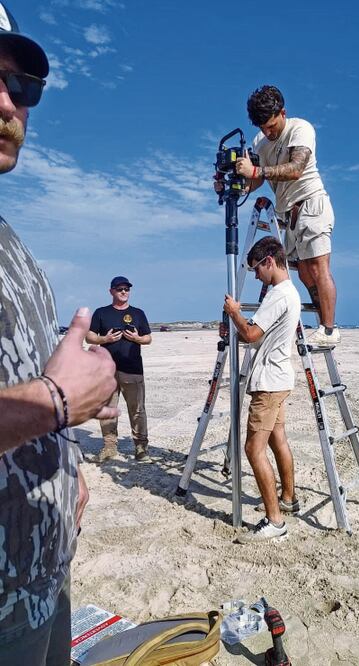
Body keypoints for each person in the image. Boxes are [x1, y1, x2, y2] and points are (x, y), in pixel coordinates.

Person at [0, 5, 119, 663]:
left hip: (45, 575)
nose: (8, 102)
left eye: (22, 85)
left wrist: (66, 461)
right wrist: (57, 401)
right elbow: (47, 393)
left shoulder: (16, 247)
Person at [233, 85, 340, 348]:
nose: (268, 133)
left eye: (271, 126)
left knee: (318, 267)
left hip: (311, 203)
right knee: (303, 272)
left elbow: (295, 169)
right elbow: (256, 181)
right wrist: (238, 186)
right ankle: (320, 324)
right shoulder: (260, 141)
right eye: (263, 128)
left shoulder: (300, 128)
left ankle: (329, 330)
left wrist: (255, 171)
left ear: (283, 112)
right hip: (287, 215)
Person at [223, 236, 302, 543]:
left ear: (269, 261)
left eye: (257, 268)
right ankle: (288, 499)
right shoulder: (289, 292)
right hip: (279, 379)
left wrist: (234, 313)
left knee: (253, 449)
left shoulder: (278, 295)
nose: (256, 276)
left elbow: (252, 334)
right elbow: (259, 336)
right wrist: (237, 324)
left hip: (269, 384)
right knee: (277, 439)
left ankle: (275, 521)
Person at [85, 276, 152, 462]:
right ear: (111, 291)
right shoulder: (101, 313)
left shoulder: (138, 313)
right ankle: (109, 447)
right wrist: (104, 339)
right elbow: (89, 336)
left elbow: (148, 338)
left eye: (126, 289)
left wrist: (137, 339)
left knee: (137, 410)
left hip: (133, 369)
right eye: (119, 289)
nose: (124, 292)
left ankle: (141, 448)